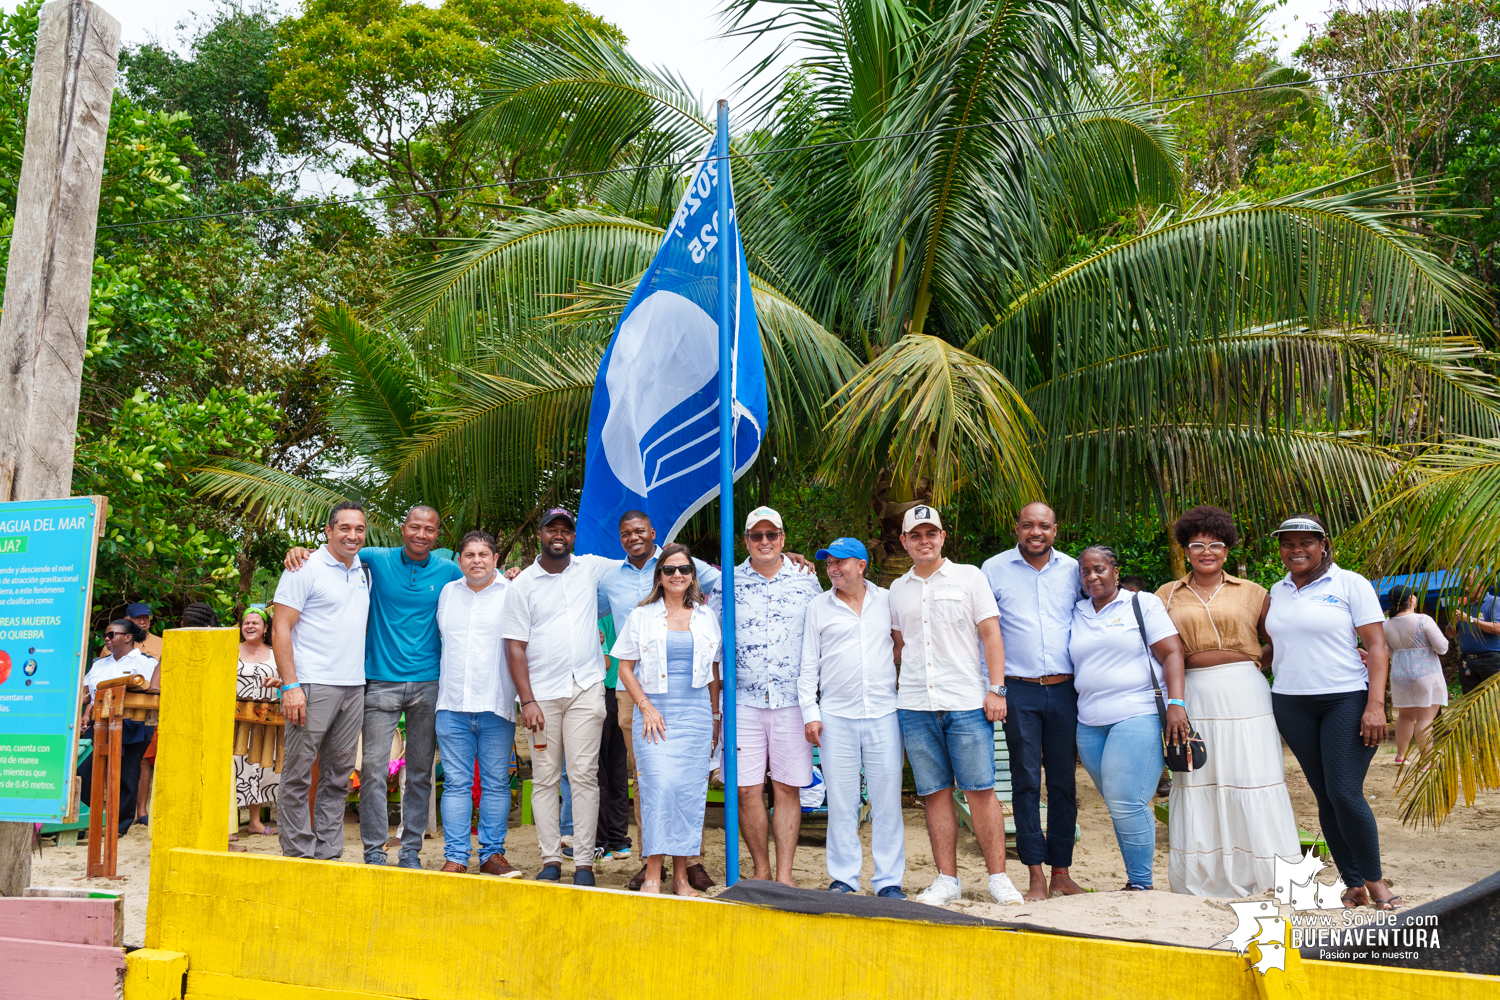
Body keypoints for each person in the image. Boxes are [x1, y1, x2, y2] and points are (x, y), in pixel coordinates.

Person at [283, 505, 460, 869]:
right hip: (377, 682)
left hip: (424, 684)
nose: (420, 535)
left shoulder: (448, 570)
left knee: (415, 772)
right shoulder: (371, 560)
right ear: (402, 528)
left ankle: (407, 851)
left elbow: (484, 577)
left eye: (429, 529)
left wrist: (513, 574)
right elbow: (332, 556)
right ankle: (372, 852)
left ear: (437, 534)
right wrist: (300, 551)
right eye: (414, 527)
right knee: (371, 772)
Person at [1154, 506, 1300, 897]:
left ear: (1227, 550)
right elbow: (1157, 651)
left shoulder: (1254, 593)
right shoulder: (1165, 595)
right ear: (1186, 550)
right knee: (1200, 778)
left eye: (1215, 544)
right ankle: (1205, 878)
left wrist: (1253, 663)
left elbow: (1281, 640)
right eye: (1197, 544)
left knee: (1251, 777)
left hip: (1246, 692)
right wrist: (1173, 700)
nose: (1207, 551)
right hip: (1192, 692)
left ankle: (1268, 874)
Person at [1262, 513, 1399, 910]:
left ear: (1324, 545)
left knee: (1344, 791)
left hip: (1345, 699)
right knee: (1325, 796)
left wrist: (1375, 705)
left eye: (1306, 542)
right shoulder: (1279, 589)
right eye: (1288, 543)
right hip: (1290, 702)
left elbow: (1377, 646)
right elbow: (1277, 649)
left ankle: (1375, 882)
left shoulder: (1350, 583)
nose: (1296, 550)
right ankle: (1352, 884)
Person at [889, 505, 1023, 906]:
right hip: (915, 703)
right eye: (916, 535)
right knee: (934, 793)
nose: (924, 540)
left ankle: (998, 878)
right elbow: (899, 647)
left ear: (943, 537)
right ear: (904, 542)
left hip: (965, 701)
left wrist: (996, 689)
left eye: (931, 533)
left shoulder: (970, 576)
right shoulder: (897, 589)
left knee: (980, 790)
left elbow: (991, 635)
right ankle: (947, 879)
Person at [597, 510, 723, 886]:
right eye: (669, 571)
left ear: (692, 574)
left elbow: (713, 672)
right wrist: (646, 707)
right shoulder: (641, 614)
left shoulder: (705, 616)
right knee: (655, 787)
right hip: (650, 711)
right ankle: (653, 870)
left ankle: (683, 875)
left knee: (688, 792)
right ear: (660, 576)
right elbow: (623, 667)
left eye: (683, 570)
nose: (677, 576)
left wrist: (715, 718)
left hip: (695, 715)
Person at [503, 507, 618, 886]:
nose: (559, 535)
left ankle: (584, 862)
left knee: (584, 776)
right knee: (547, 777)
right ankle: (551, 858)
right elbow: (515, 647)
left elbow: (644, 558)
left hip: (586, 688)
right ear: (539, 535)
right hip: (542, 698)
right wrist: (528, 701)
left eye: (565, 530)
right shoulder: (522, 585)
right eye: (551, 529)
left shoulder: (590, 568)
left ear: (573, 537)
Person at [711, 505, 823, 887]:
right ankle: (761, 871)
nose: (764, 542)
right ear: (745, 541)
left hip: (792, 702)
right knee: (746, 790)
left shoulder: (808, 581)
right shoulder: (726, 582)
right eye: (756, 536)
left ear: (783, 539)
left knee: (788, 788)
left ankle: (786, 876)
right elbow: (709, 639)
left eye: (771, 535)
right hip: (742, 701)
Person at [1070, 545, 1191, 891]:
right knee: (1119, 804)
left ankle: (1141, 885)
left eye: (1099, 569)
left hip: (1136, 714)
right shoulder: (1077, 611)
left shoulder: (1142, 603)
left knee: (1127, 801)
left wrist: (1177, 703)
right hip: (1090, 724)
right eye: (1085, 572)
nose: (1092, 577)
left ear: (1115, 571)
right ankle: (1134, 881)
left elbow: (1172, 653)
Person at [981, 502, 1084, 902]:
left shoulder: (1074, 569)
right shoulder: (994, 569)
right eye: (1028, 525)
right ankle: (1035, 875)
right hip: (1018, 688)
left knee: (1063, 783)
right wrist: (994, 688)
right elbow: (984, 634)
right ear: (1017, 529)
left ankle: (1062, 871)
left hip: (1064, 689)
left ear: (1055, 530)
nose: (1035, 532)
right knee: (1025, 783)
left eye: (1043, 526)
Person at [799, 537, 905, 897]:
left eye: (840, 562)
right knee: (842, 801)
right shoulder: (818, 606)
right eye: (828, 562)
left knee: (886, 799)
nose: (832, 568)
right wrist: (810, 712)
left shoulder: (888, 600)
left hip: (883, 713)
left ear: (861, 565)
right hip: (835, 716)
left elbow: (902, 645)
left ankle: (889, 881)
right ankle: (844, 877)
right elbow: (807, 664)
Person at [272, 501, 372, 860]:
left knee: (339, 775)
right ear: (328, 531)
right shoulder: (304, 567)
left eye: (359, 529)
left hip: (353, 686)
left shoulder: (363, 568)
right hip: (312, 685)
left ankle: (328, 852)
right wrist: (290, 685)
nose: (352, 535)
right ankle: (298, 852)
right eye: (344, 528)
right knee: (299, 772)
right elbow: (280, 627)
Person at [435, 530, 522, 877]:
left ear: (496, 560)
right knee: (456, 783)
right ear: (459, 560)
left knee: (496, 784)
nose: (476, 560)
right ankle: (456, 857)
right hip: (452, 704)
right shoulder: (447, 593)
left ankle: (492, 856)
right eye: (469, 554)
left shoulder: (513, 593)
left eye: (483, 554)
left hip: (497, 704)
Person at [78, 619, 158, 837]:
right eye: (106, 635)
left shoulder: (146, 663)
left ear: (128, 637)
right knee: (85, 771)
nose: (107, 638)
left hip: (133, 723)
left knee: (126, 774)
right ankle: (83, 822)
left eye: (112, 634)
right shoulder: (99, 664)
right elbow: (88, 695)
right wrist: (85, 709)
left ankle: (118, 826)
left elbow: (154, 692)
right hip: (101, 721)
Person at [1382, 584, 1449, 765]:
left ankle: (1400, 756)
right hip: (1426, 673)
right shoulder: (1422, 619)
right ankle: (1427, 761)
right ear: (1411, 599)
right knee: (1426, 718)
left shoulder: (1386, 624)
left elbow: (1387, 652)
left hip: (1400, 674)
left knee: (1405, 716)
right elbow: (1442, 647)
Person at [234, 605, 281, 837]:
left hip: (266, 722)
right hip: (234, 721)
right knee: (232, 767)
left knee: (258, 769)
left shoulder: (276, 652)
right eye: (246, 623)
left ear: (264, 628)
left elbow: (287, 680)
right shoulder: (230, 651)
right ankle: (229, 823)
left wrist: (279, 681)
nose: (249, 626)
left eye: (255, 623)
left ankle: (254, 821)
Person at [1452, 574, 1500, 695]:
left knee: (1494, 700)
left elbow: (1498, 628)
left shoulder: (1494, 602)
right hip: (1467, 661)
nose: (1466, 589)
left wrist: (1470, 619)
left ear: (1482, 585)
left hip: (1491, 660)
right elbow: (1450, 634)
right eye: (1464, 586)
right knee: (1470, 702)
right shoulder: (1461, 606)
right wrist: (1453, 623)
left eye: (1469, 585)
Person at [99, 601, 163, 660]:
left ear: (150, 619)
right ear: (126, 620)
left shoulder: (162, 643)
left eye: (145, 617)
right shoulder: (114, 643)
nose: (142, 622)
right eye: (136, 618)